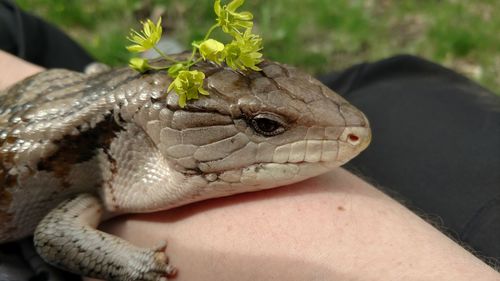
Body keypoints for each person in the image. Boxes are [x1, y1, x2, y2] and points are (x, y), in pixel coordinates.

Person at [1, 1, 499, 280]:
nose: (344, 131)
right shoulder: (81, 167)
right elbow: (54, 235)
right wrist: (135, 267)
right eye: (264, 126)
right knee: (405, 82)